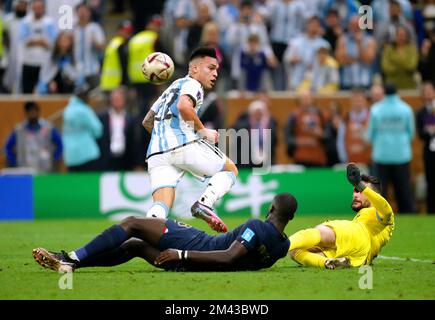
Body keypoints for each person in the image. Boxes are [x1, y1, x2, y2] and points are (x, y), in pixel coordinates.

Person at [32, 192, 297, 272]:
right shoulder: (282, 248)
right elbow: (239, 262)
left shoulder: (256, 227)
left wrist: (181, 254)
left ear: (271, 207)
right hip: (196, 265)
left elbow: (229, 256)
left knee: (132, 223)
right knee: (134, 245)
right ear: (291, 217)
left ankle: (72, 257)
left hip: (196, 246)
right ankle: (71, 266)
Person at [141, 47, 238, 233]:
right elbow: (184, 106)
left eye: (217, 69)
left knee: (161, 206)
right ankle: (204, 204)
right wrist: (203, 131)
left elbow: (147, 121)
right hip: (183, 144)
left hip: (156, 153)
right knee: (230, 170)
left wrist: (165, 139)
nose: (215, 74)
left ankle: (144, 236)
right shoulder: (193, 84)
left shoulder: (170, 88)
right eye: (211, 68)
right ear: (194, 69)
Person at [288, 163, 395, 269]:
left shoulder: (380, 212)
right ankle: (327, 263)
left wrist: (361, 185)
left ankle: (281, 245)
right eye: (355, 190)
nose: (355, 194)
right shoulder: (366, 219)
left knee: (319, 231)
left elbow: (386, 209)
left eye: (360, 191)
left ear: (375, 195)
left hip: (358, 237)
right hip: (359, 258)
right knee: (295, 251)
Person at [366, 83, 416, 213]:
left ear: (384, 92)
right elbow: (411, 133)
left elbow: (369, 135)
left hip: (381, 155)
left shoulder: (375, 109)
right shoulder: (406, 109)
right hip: (401, 154)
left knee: (381, 191)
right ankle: (408, 215)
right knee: (404, 190)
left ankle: (381, 217)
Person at [4, 101, 62, 173]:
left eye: (34, 111)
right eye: (29, 112)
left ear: (38, 112)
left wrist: (55, 158)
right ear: (26, 113)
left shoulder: (48, 128)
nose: (32, 114)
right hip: (24, 169)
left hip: (45, 169)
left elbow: (60, 144)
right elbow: (7, 147)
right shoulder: (19, 130)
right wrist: (14, 162)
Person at [62, 84, 103, 172]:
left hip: (70, 156)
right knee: (89, 184)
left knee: (74, 185)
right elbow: (98, 130)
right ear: (83, 96)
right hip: (87, 154)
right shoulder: (84, 110)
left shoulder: (67, 110)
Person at [98, 86, 136, 171]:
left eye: (119, 99)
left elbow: (133, 141)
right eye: (114, 99)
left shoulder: (130, 118)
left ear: (124, 100)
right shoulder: (102, 117)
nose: (116, 101)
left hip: (125, 159)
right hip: (107, 158)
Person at [416, 82, 435, 213]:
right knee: (431, 181)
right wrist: (429, 131)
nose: (428, 93)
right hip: (429, 151)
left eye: (430, 90)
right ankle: (431, 211)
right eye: (425, 91)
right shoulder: (421, 112)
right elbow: (420, 134)